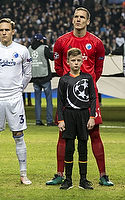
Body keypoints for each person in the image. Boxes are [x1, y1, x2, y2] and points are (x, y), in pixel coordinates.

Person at [47, 7, 113, 186]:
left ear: (88, 21)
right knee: (63, 135)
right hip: (68, 97)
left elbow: (98, 70)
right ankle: (60, 174)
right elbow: (59, 67)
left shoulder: (96, 43)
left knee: (95, 134)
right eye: (76, 16)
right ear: (72, 19)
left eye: (82, 17)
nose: (78, 19)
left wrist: (86, 84)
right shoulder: (61, 41)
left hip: (88, 96)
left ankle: (103, 175)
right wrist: (70, 83)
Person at [0, 18, 32, 185]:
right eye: (1, 30)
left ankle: (23, 174)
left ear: (13, 31)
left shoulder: (22, 50)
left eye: (7, 30)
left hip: (15, 99)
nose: (4, 32)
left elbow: (27, 74)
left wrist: (19, 89)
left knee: (18, 136)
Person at [58, 48, 96, 190]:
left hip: (83, 115)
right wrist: (60, 120)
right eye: (73, 60)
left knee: (83, 147)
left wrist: (92, 117)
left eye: (78, 60)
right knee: (69, 148)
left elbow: (93, 97)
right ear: (67, 62)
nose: (75, 63)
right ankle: (67, 180)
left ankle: (83, 180)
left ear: (82, 61)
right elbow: (60, 101)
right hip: (68, 115)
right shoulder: (64, 79)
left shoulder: (87, 78)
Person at [28, 33, 55, 126]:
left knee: (37, 101)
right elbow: (52, 57)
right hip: (45, 76)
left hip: (35, 77)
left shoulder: (29, 49)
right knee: (48, 100)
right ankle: (49, 120)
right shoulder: (44, 48)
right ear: (41, 40)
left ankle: (38, 120)